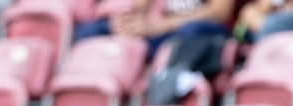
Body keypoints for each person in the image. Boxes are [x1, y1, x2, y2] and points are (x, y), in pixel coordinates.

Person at [75, 0, 237, 59]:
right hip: (168, 31)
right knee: (88, 31)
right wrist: (127, 21)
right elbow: (140, 7)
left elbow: (220, 13)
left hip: (207, 31)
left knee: (190, 30)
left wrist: (160, 25)